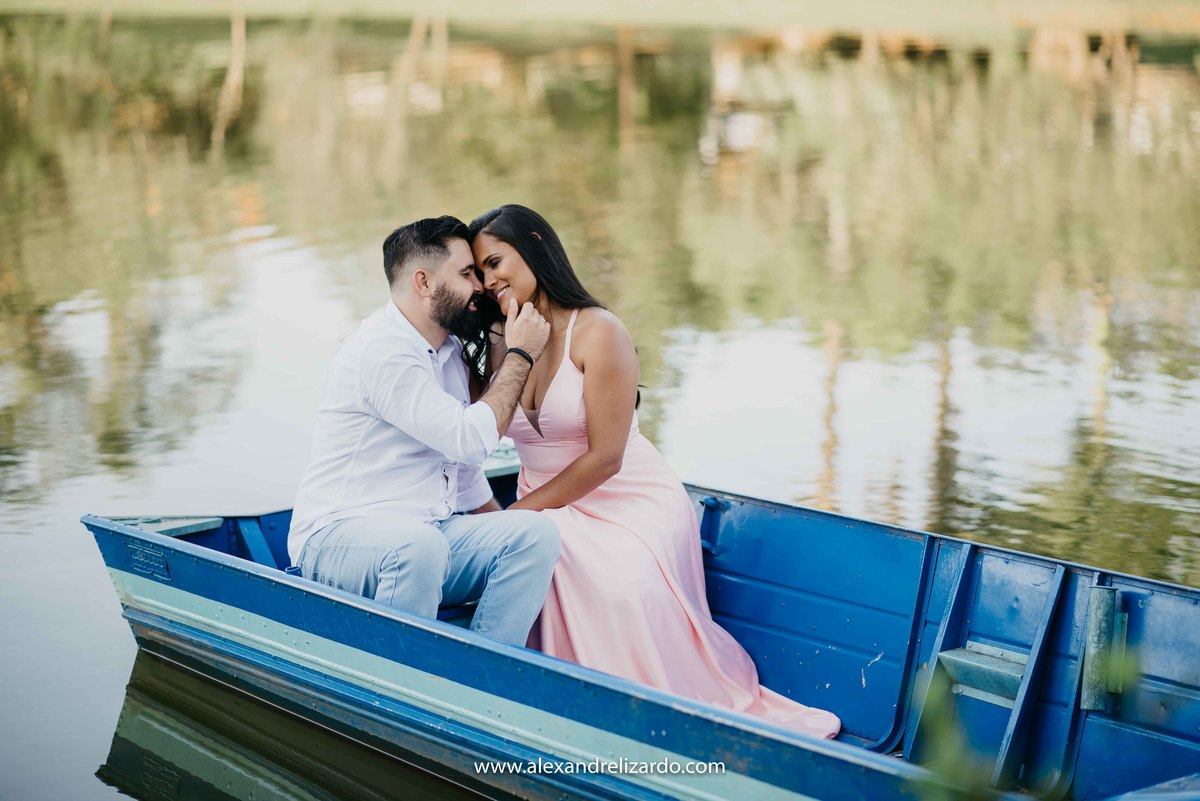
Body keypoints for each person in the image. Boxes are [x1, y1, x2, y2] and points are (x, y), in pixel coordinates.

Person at [466, 204, 841, 738]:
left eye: (496, 261)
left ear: (534, 243)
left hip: (626, 498)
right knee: (536, 550)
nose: (489, 279)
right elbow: (466, 436)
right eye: (479, 273)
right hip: (547, 499)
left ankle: (637, 716)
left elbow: (606, 458)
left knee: (619, 580)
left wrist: (515, 515)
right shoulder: (501, 343)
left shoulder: (598, 332)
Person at [287, 216, 561, 647]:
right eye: (468, 273)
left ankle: (483, 675)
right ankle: (403, 687)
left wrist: (499, 528)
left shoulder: (449, 352)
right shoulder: (382, 352)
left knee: (534, 534)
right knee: (418, 549)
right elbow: (471, 437)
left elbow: (463, 466)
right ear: (424, 281)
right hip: (337, 540)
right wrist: (522, 352)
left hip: (426, 535)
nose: (481, 286)